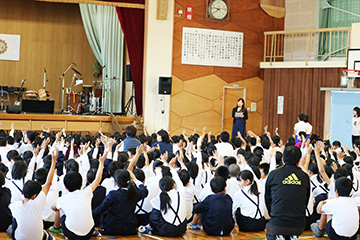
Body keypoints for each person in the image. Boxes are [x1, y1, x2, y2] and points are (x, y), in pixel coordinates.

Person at [51, 152, 108, 239]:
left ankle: (56, 227)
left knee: (60, 208)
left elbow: (53, 207)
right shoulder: (86, 192)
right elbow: (98, 179)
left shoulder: (62, 199)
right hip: (89, 231)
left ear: (65, 188)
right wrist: (101, 162)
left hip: (71, 234)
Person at [9, 149, 57, 240]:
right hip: (38, 238)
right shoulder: (38, 203)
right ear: (35, 196)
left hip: (19, 238)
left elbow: (9, 205)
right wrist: (53, 161)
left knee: (15, 220)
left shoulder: (16, 205)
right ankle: (47, 237)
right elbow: (48, 182)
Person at [265, 146, 310, 240]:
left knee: (271, 229)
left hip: (277, 224)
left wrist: (274, 214)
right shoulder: (304, 177)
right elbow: (306, 199)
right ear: (299, 160)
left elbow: (267, 199)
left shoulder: (273, 174)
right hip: (299, 225)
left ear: (283, 159)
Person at [92, 169, 148, 235]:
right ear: (130, 180)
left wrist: (90, 214)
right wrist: (135, 180)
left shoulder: (113, 194)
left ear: (117, 183)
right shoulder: (134, 194)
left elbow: (101, 209)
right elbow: (144, 191)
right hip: (129, 228)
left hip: (112, 228)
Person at [149, 171, 187, 237]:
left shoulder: (158, 198)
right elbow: (179, 181)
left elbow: (153, 219)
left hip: (166, 230)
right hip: (182, 229)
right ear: (173, 185)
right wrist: (171, 168)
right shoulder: (181, 193)